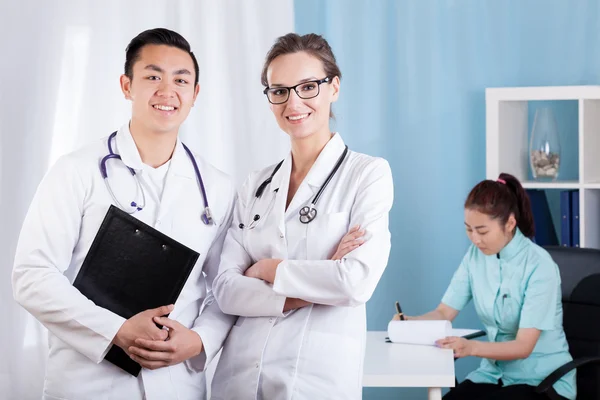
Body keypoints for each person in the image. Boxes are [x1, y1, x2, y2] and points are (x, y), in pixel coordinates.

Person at [12, 28, 238, 400]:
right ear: (126, 85)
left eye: (181, 80)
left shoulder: (217, 186)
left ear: (195, 94)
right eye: (152, 77)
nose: (167, 91)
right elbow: (31, 276)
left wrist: (199, 340)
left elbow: (225, 287)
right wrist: (115, 329)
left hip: (176, 385)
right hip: (88, 383)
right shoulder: (76, 170)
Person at [209, 32, 394, 400]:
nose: (293, 102)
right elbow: (226, 290)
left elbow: (354, 282)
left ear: (334, 87)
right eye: (279, 91)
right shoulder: (255, 185)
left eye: (308, 86)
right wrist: (314, 284)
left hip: (314, 381)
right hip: (239, 379)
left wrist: (266, 270)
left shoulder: (367, 174)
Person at [392, 173, 576, 400]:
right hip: (493, 374)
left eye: (482, 231)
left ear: (510, 223)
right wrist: (411, 323)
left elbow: (523, 346)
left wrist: (471, 348)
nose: (475, 239)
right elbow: (444, 312)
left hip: (542, 381)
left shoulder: (540, 266)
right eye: (469, 229)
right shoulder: (474, 257)